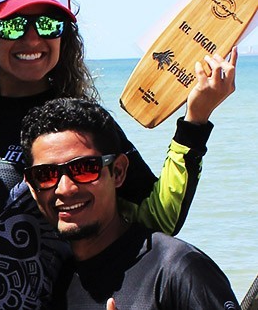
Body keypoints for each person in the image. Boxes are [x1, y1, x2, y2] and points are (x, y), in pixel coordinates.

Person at [0, 0, 238, 308]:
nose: (32, 37)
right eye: (13, 25)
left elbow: (158, 216)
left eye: (49, 24)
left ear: (65, 37)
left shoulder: (83, 127)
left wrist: (195, 120)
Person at [20, 97, 240, 309]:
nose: (65, 188)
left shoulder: (177, 270)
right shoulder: (56, 284)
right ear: (31, 186)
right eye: (45, 174)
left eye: (85, 168)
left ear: (118, 172)